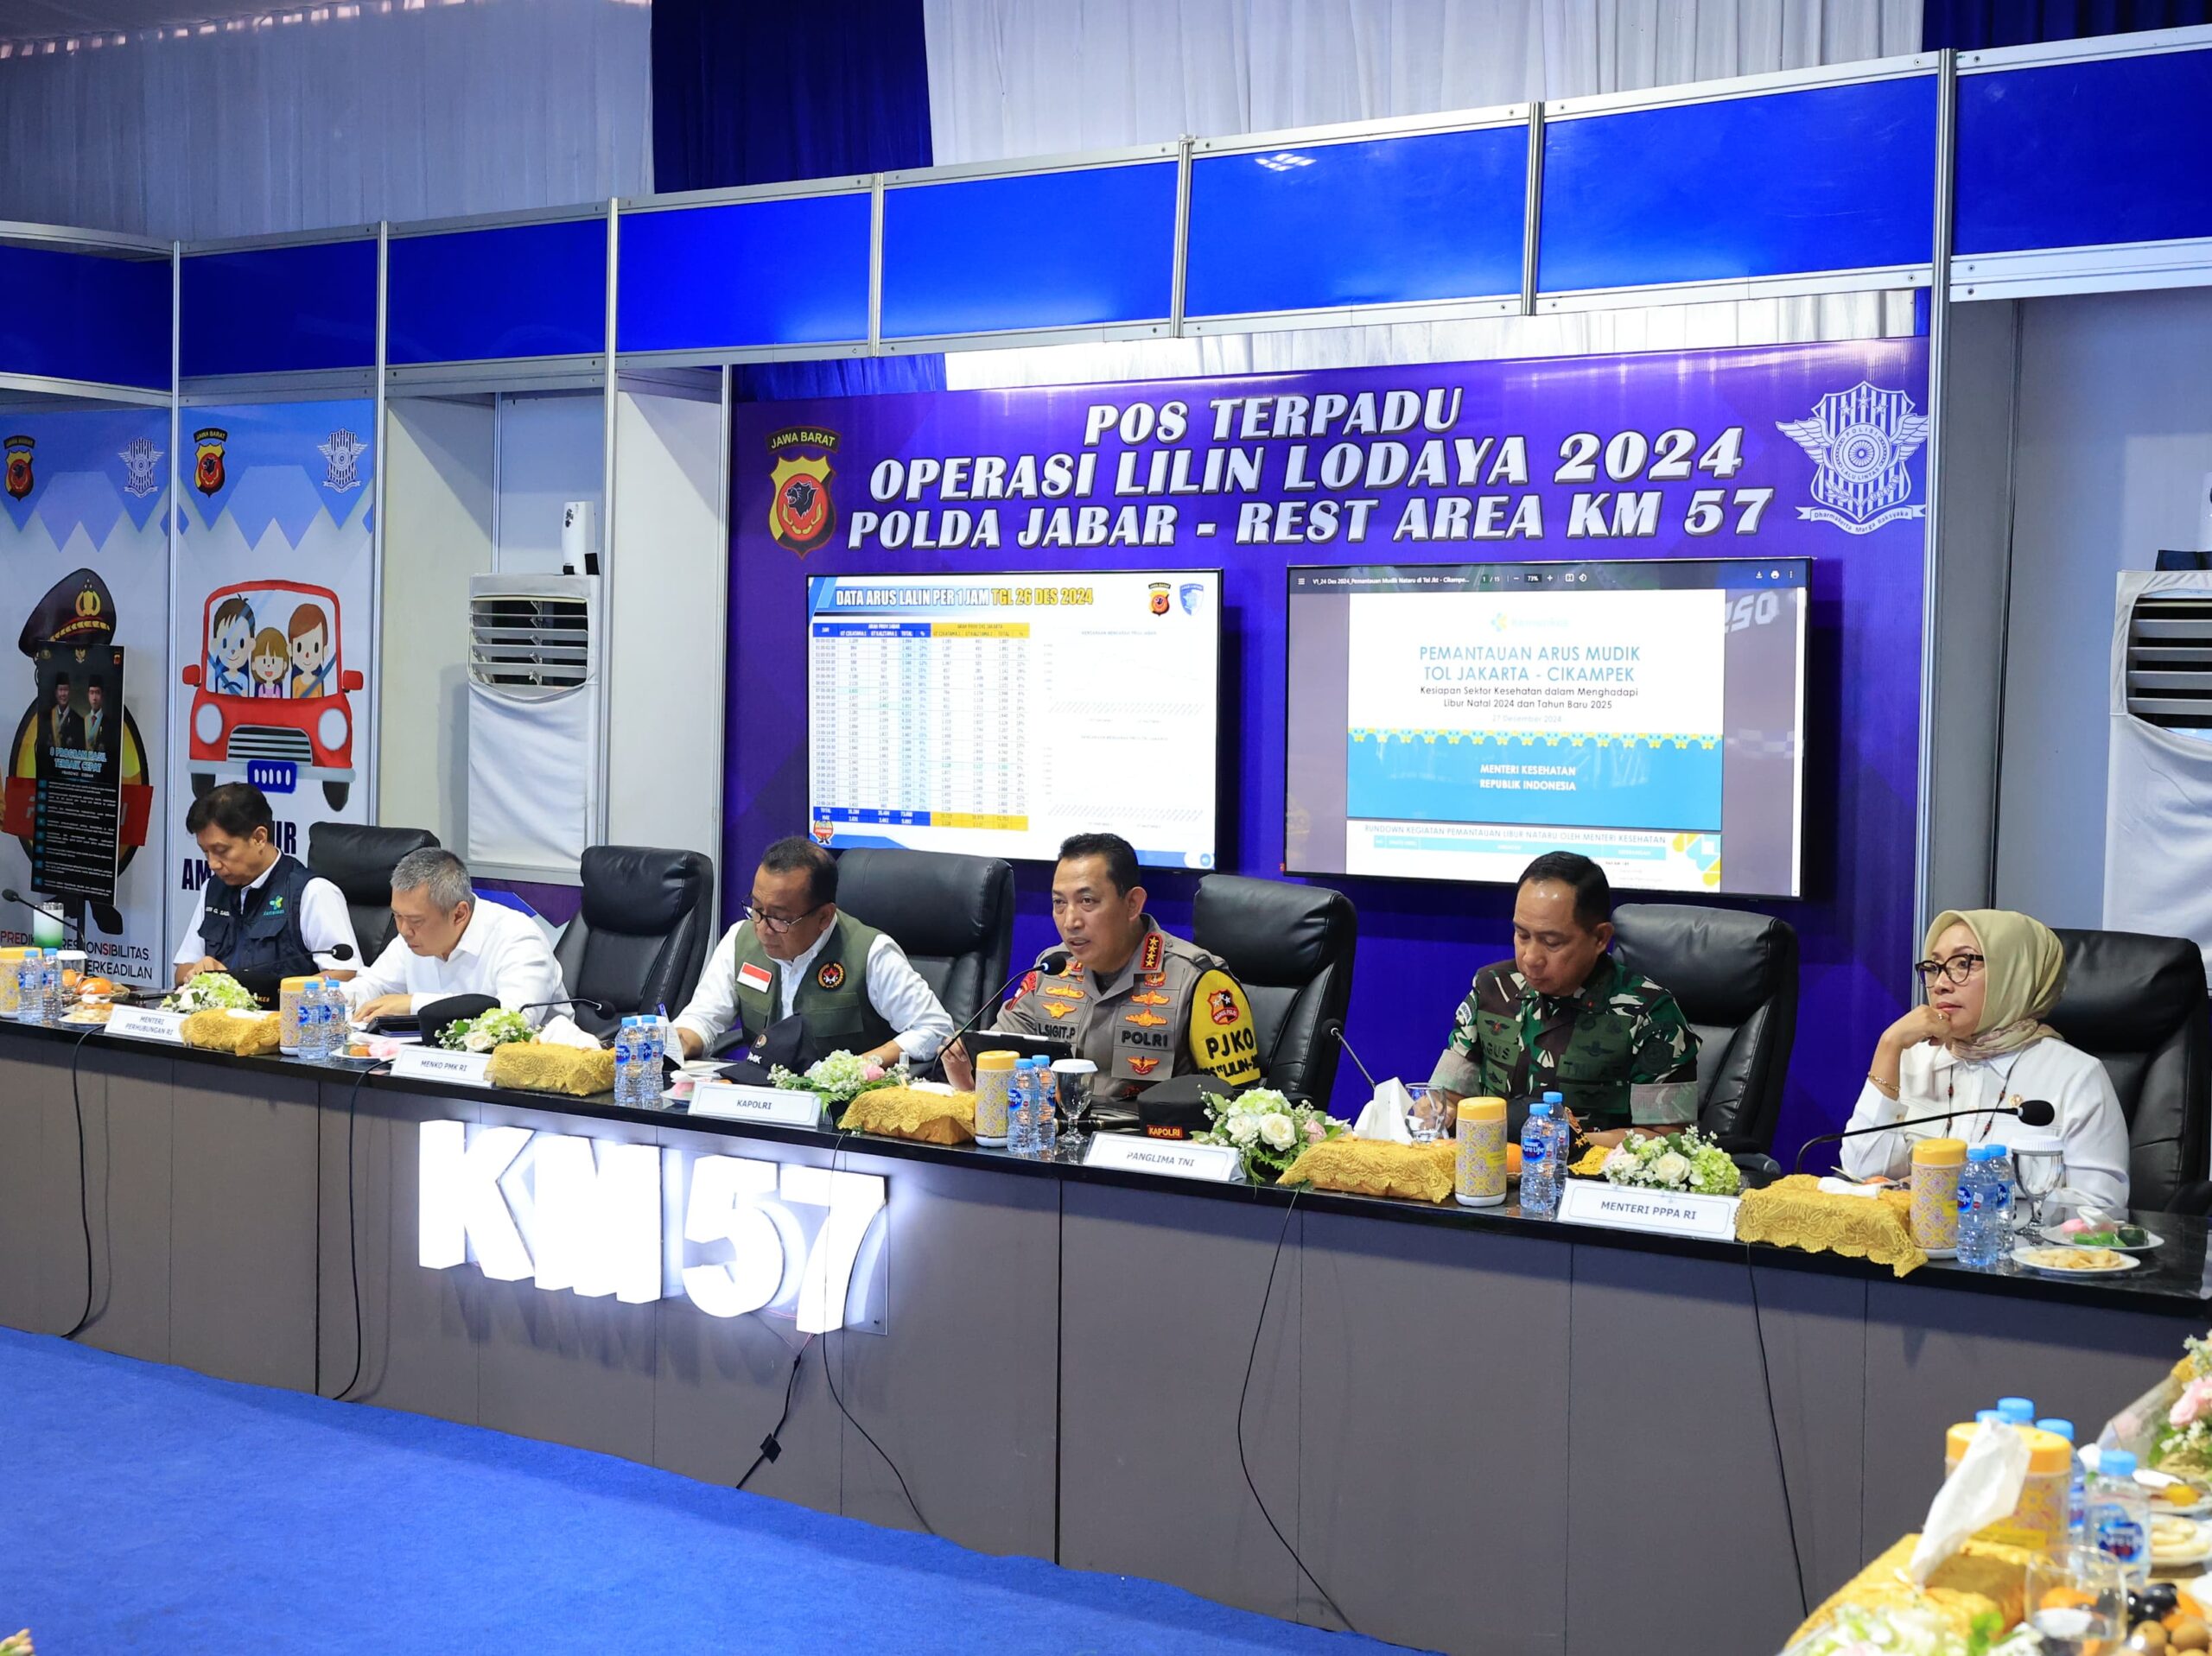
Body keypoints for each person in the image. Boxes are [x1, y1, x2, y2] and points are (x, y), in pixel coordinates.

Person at [1840, 909, 2129, 1212]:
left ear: (2015, 975)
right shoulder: (1913, 1059)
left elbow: (2103, 1207)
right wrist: (1889, 1047)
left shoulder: (2076, 1076)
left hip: (2018, 1241)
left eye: (1963, 963)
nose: (1940, 984)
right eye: (1934, 967)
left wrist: (1966, 1186)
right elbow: (1861, 1170)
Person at [943, 832, 1262, 1100]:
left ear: (1132, 904)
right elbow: (998, 1066)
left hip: (1147, 1147)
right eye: (1059, 903)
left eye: (1087, 901)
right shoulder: (1050, 971)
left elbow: (1238, 1109)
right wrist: (966, 1079)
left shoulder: (1198, 981)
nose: (1070, 921)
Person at [1428, 851, 1700, 1150]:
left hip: (1589, 1175)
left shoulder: (1649, 1013)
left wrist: (1557, 1140)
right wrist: (1435, 1113)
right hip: (1490, 1171)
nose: (1531, 958)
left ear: (1600, 938)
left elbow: (1669, 1139)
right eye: (1522, 935)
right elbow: (1447, 1097)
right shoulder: (1491, 988)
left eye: (1552, 942)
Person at [673, 836, 952, 1071]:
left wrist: (859, 1067)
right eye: (756, 909)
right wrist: (676, 1041)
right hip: (759, 1095)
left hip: (842, 1107)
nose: (763, 929)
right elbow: (703, 1018)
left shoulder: (871, 953)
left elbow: (935, 1029)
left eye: (780, 918)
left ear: (824, 916)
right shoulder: (739, 939)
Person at [346, 847, 566, 1026]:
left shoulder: (518, 937)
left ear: (459, 914)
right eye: (397, 915)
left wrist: (415, 1004)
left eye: (416, 920)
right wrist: (338, 998)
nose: (403, 930)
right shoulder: (411, 937)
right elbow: (374, 985)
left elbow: (514, 1020)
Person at [172, 783, 359, 986]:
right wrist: (196, 973)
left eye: (221, 851)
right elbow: (182, 969)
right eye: (205, 852)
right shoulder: (213, 889)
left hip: (283, 1006)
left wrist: (265, 990)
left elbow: (345, 973)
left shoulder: (312, 892)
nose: (212, 864)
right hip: (219, 1007)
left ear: (259, 838)